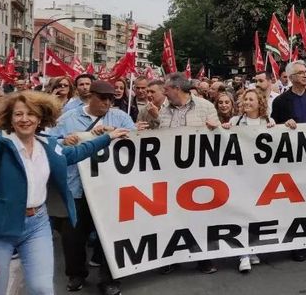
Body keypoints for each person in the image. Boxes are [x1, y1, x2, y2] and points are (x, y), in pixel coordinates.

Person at [0, 91, 128, 295]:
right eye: (18, 114)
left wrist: (107, 138)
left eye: (31, 114)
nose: (25, 119)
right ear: (9, 118)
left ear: (40, 118)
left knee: (43, 289)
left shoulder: (47, 145)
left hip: (37, 225)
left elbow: (74, 154)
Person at [48, 80, 136, 294]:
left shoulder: (120, 117)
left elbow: (135, 142)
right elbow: (50, 144)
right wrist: (64, 140)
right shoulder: (68, 118)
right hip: (76, 186)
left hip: (109, 188)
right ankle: (76, 274)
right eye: (102, 98)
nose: (107, 102)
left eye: (110, 99)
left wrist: (114, 132)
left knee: (110, 234)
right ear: (91, 97)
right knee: (73, 236)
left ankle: (109, 279)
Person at [146, 74, 221, 275]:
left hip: (198, 172)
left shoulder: (205, 106)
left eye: (167, 90)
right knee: (171, 216)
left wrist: (217, 129)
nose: (164, 93)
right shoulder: (163, 111)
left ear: (177, 88)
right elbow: (160, 136)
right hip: (170, 172)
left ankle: (204, 258)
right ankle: (170, 257)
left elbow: (220, 136)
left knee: (200, 216)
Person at [270, 61, 306, 262]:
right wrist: (284, 125)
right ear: (290, 77)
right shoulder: (281, 101)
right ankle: (295, 243)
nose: (305, 75)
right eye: (301, 73)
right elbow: (273, 128)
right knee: (293, 201)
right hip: (291, 159)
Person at [219, 88, 269, 272]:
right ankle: (243, 254)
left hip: (260, 177)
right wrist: (223, 130)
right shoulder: (235, 121)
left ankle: (252, 248)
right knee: (242, 214)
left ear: (259, 103)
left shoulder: (268, 122)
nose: (247, 102)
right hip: (240, 175)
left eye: (251, 99)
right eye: (245, 99)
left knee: (256, 215)